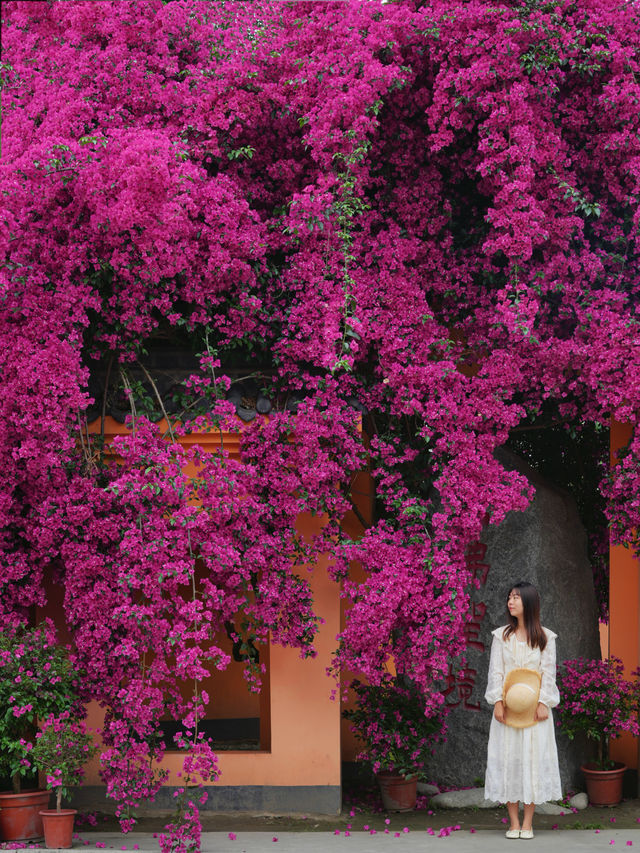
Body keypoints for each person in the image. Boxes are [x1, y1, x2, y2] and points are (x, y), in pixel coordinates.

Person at [484, 581, 562, 839]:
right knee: (510, 760)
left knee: (532, 761)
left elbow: (548, 673)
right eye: (509, 597)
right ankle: (513, 822)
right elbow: (496, 671)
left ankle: (528, 822)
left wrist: (543, 702)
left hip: (535, 712)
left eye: (516, 597)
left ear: (528, 602)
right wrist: (497, 701)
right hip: (508, 711)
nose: (511, 601)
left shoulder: (545, 638)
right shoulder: (501, 636)